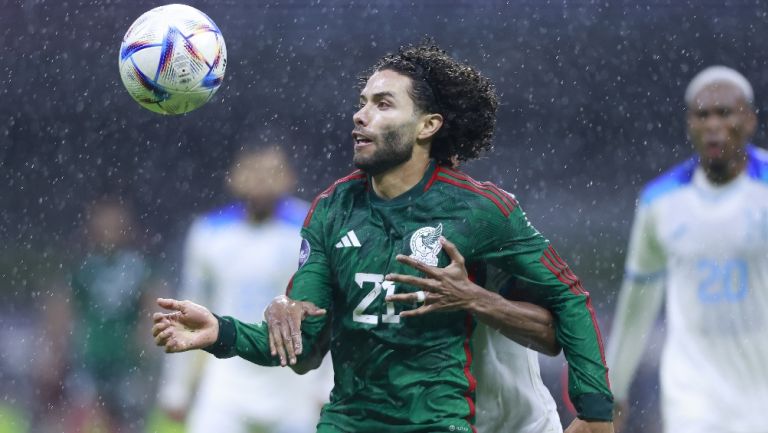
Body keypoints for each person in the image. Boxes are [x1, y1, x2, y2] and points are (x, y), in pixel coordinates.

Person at [153, 42, 614, 433]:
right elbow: (304, 349)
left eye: (383, 104)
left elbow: (569, 299)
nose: (360, 115)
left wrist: (595, 412)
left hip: (436, 423)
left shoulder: (480, 209)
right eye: (362, 102)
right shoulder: (331, 210)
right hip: (347, 421)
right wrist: (223, 331)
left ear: (428, 126)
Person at [606, 66, 768, 433]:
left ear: (749, 120)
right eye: (702, 114)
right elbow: (638, 300)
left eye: (724, 112)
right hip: (693, 390)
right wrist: (612, 389)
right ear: (689, 124)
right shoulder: (660, 202)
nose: (713, 124)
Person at [157, 146, 332, 433]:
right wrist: (176, 387)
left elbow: (327, 306)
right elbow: (192, 307)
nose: (262, 180)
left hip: (292, 382)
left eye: (271, 172)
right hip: (227, 380)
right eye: (253, 171)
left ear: (289, 177)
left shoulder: (308, 226)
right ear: (233, 177)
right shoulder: (209, 232)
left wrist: (327, 383)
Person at [38, 197, 159, 433]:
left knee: (128, 420)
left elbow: (152, 304)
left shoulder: (138, 266)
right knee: (85, 418)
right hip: (89, 358)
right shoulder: (84, 265)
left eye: (115, 224)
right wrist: (55, 351)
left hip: (128, 360)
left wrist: (146, 343)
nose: (109, 230)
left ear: (127, 227)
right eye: (104, 223)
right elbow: (61, 307)